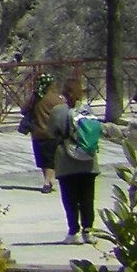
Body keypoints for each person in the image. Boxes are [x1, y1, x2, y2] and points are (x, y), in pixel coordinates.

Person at [49, 78, 102, 243]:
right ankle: (89, 231)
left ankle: (74, 232)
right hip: (89, 161)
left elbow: (51, 132)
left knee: (70, 198)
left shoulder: (58, 111)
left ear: (64, 92)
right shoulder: (87, 110)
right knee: (87, 198)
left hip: (67, 160)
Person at [20, 73, 61, 195]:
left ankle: (47, 180)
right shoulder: (55, 99)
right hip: (51, 133)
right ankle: (47, 183)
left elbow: (24, 110)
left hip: (36, 133)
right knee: (50, 160)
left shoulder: (34, 98)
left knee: (43, 160)